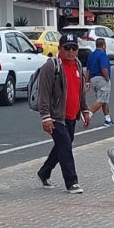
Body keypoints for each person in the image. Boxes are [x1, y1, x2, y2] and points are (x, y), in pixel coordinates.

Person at [36, 35, 90, 192]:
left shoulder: (78, 65)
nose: (71, 51)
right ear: (59, 48)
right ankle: (72, 182)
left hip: (72, 115)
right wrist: (45, 117)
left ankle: (44, 171)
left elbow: (81, 91)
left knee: (62, 145)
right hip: (56, 116)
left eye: (74, 48)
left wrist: (85, 109)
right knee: (66, 146)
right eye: (67, 48)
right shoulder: (51, 67)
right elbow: (43, 94)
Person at [86, 37, 114, 126]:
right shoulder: (102, 55)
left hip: (93, 79)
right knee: (101, 100)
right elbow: (104, 67)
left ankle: (107, 119)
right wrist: (107, 78)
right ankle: (88, 114)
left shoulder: (92, 55)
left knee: (105, 99)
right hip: (102, 79)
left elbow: (88, 70)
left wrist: (87, 81)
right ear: (103, 45)